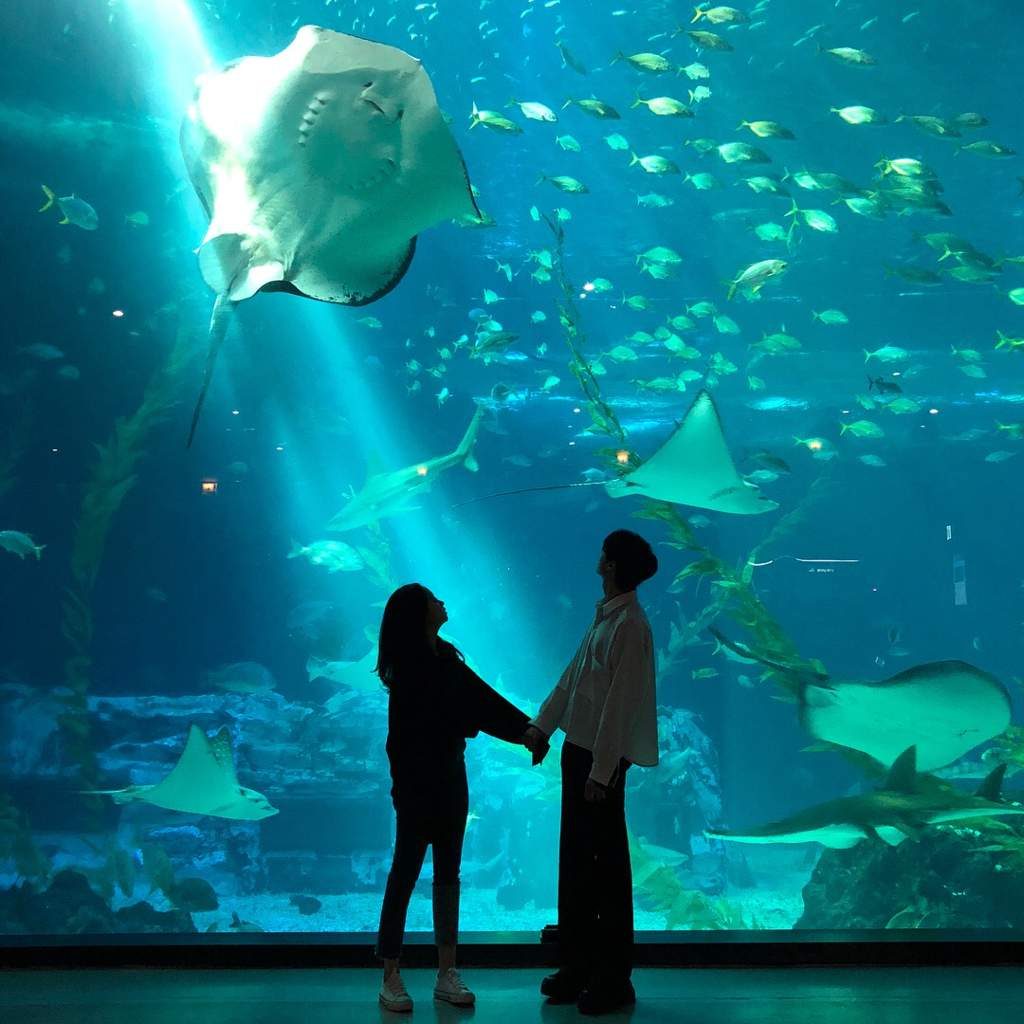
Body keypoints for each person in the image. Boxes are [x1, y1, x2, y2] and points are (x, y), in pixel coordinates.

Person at [374, 582, 539, 1013]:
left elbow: (483, 700)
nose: (441, 601)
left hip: (451, 778)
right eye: (432, 598)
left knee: (448, 876)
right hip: (417, 783)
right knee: (405, 874)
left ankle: (446, 970)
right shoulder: (411, 668)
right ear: (419, 613)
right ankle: (391, 973)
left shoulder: (446, 659)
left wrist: (526, 731)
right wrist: (524, 731)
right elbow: (402, 739)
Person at [522, 529, 659, 1016]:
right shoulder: (605, 617)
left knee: (606, 872)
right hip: (577, 751)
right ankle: (577, 966)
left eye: (604, 553)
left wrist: (603, 773)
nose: (597, 558)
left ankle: (614, 977)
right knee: (576, 866)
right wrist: (542, 726)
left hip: (602, 761)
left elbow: (621, 707)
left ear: (612, 565)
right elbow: (572, 677)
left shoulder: (631, 626)